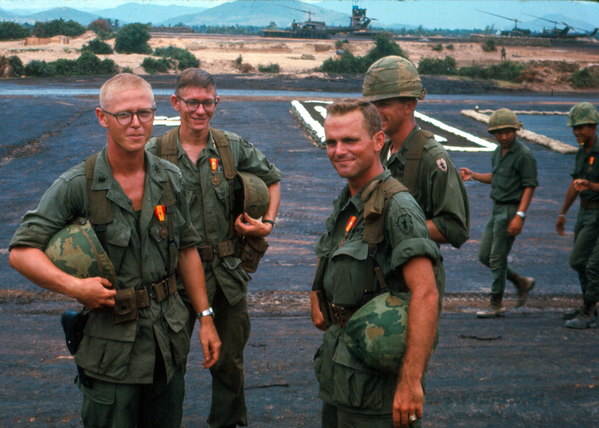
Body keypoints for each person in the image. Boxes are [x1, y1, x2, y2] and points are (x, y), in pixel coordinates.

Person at [8, 73, 221, 427]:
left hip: (166, 342)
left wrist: (206, 318)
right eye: (124, 114)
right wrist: (75, 287)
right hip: (110, 350)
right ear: (101, 117)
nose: (136, 124)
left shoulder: (170, 178)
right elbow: (21, 251)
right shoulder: (78, 184)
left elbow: (186, 251)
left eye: (144, 113)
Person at [146, 68, 282, 428]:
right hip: (173, 277)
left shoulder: (230, 147)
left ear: (216, 102)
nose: (200, 110)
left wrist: (266, 223)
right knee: (168, 360)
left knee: (229, 362)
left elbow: (272, 178)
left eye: (208, 102)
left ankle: (228, 422)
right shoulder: (155, 151)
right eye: (192, 102)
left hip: (226, 275)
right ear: (176, 103)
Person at [310, 99, 443, 428]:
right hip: (342, 375)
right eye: (331, 142)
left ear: (378, 141)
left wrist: (411, 383)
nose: (339, 151)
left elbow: (426, 293)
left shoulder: (397, 206)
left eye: (350, 140)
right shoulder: (351, 200)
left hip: (378, 392)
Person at [362, 55, 470, 251]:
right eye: (372, 104)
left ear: (409, 105)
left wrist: (396, 226)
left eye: (384, 104)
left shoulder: (431, 158)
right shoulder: (382, 152)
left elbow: (455, 228)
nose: (376, 111)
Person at [459, 108, 538, 318]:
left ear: (516, 130)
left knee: (497, 257)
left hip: (511, 210)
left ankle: (496, 304)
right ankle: (521, 282)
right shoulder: (498, 152)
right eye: (499, 132)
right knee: (485, 255)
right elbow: (496, 177)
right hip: (497, 210)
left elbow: (529, 186)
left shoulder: (524, 155)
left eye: (508, 132)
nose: (503, 136)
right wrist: (473, 175)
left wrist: (519, 216)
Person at [556, 102, 599, 329]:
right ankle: (588, 304)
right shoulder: (583, 151)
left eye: (582, 127)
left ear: (594, 127)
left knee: (591, 264)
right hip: (586, 213)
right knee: (579, 261)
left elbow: (585, 184)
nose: (577, 132)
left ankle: (589, 309)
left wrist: (591, 186)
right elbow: (575, 184)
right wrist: (563, 212)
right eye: (575, 127)